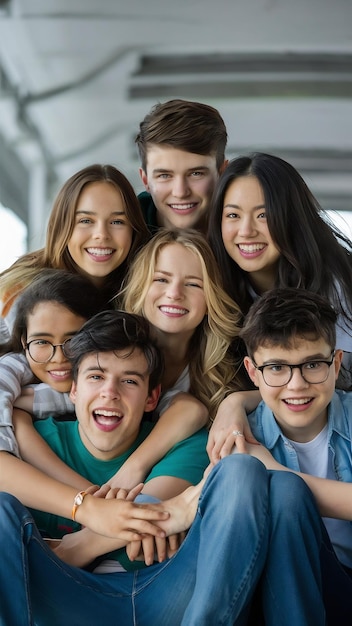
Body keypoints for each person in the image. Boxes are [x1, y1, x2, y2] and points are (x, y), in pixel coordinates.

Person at [0, 309, 327, 625]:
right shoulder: (35, 441)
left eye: (129, 381)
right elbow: (156, 517)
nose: (110, 393)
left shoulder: (180, 440)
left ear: (152, 397)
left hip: (167, 592)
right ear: (73, 389)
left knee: (242, 470)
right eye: (96, 377)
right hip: (65, 597)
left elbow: (151, 511)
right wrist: (169, 514)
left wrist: (156, 515)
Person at [207, 151, 352, 460]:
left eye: (263, 215)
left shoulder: (337, 283)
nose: (246, 231)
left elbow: (326, 387)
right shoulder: (216, 282)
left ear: (290, 217)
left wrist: (237, 402)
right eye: (233, 215)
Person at [239, 287, 352, 623]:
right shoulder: (243, 437)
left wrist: (273, 470)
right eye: (276, 368)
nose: (296, 384)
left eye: (313, 364)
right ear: (252, 372)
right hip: (279, 588)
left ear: (336, 363)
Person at [108, 227, 247, 489]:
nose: (174, 293)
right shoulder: (109, 348)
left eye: (193, 284)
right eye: (161, 279)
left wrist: (238, 400)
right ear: (141, 286)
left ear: (211, 299)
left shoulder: (222, 370)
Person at [0, 163, 150, 342]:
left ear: (133, 230)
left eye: (117, 222)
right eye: (86, 220)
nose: (101, 235)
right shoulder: (20, 293)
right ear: (63, 226)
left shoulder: (140, 298)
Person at [0, 270, 105, 485]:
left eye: (73, 341)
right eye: (41, 342)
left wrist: (27, 401)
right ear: (23, 341)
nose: (59, 357)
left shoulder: (110, 372)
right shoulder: (15, 365)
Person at [135, 99, 228, 234]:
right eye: (164, 175)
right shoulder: (119, 236)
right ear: (145, 180)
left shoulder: (251, 231)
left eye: (196, 174)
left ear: (222, 173)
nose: (180, 192)